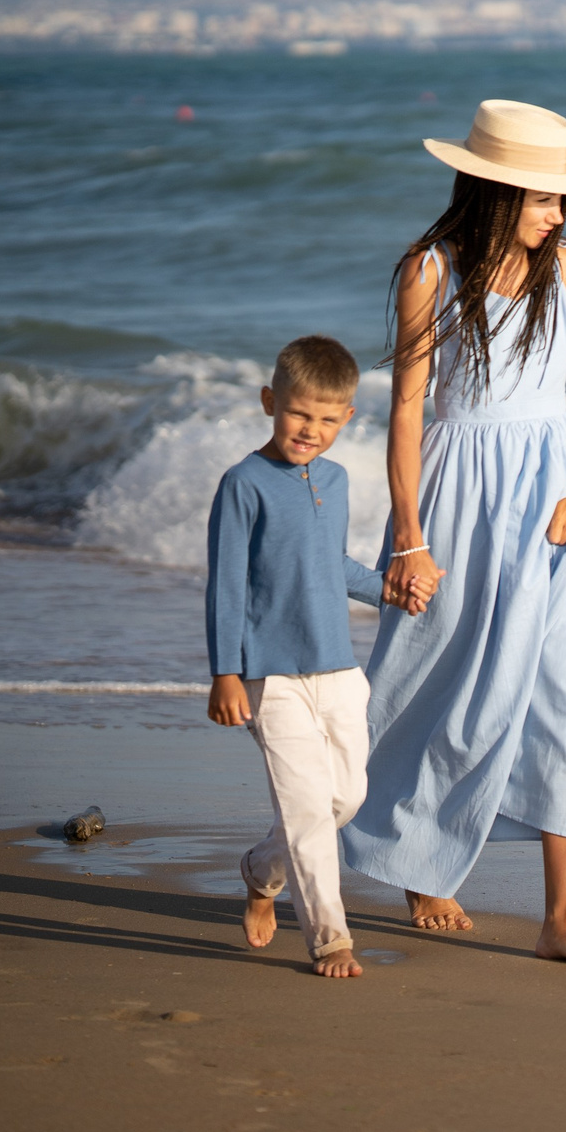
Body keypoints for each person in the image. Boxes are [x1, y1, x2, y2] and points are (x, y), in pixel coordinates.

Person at [337, 99, 566, 968]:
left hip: (558, 500)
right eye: (544, 199)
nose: (559, 215)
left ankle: (562, 918)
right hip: (459, 490)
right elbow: (410, 410)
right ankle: (412, 857)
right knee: (439, 680)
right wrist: (410, 535)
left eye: (563, 200)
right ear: (498, 190)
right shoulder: (432, 270)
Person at [205, 334, 433, 978]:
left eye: (329, 419)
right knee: (306, 809)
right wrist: (225, 672)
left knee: (345, 801)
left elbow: (329, 565)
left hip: (338, 669)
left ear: (349, 419)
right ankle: (331, 939)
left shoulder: (334, 479)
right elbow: (225, 584)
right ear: (270, 401)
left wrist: (390, 588)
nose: (312, 430)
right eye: (301, 413)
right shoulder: (242, 484)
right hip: (268, 676)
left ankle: (260, 871)